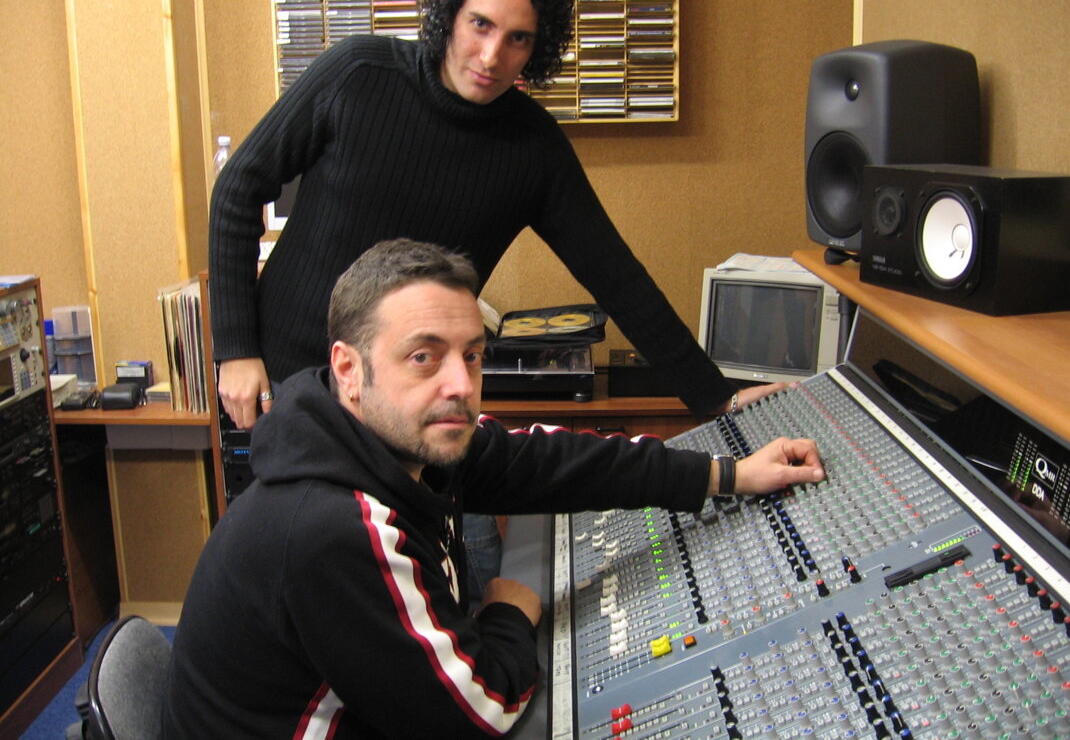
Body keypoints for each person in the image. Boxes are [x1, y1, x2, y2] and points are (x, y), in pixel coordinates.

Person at [208, 0, 781, 600]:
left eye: (517, 39)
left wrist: (714, 397)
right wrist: (236, 349)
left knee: (445, 584)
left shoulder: (534, 149)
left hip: (413, 404)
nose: (490, 56)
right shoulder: (356, 73)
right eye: (480, 25)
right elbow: (238, 188)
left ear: (538, 48)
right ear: (450, 12)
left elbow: (617, 277)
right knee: (305, 590)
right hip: (287, 388)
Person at [163, 239, 824, 739]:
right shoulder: (334, 526)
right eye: (423, 356)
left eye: (472, 355)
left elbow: (556, 461)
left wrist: (727, 474)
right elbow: (478, 711)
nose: (459, 384)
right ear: (349, 369)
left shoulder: (389, 440)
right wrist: (509, 612)